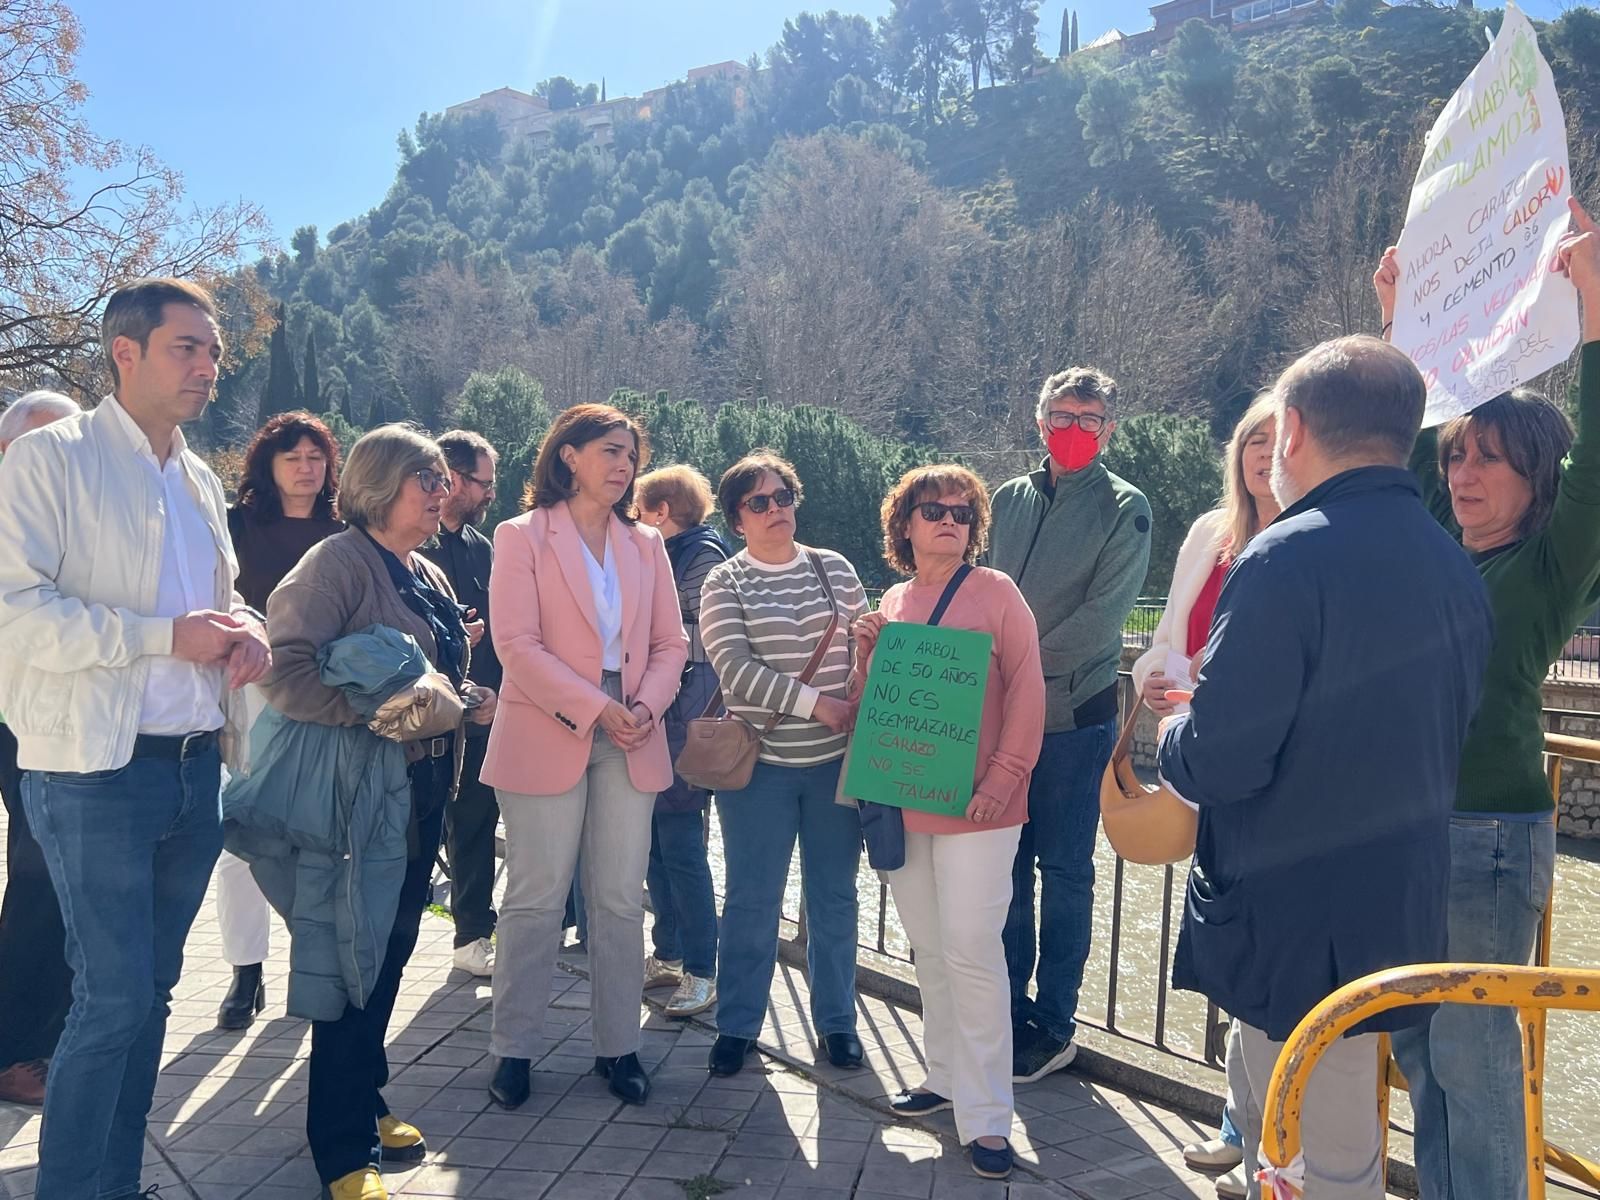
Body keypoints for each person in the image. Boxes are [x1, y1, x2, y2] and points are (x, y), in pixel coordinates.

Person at [1157, 335, 1493, 1200]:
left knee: (1311, 1146)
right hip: (1395, 897)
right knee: (1334, 1133)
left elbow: (1223, 760)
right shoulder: (1452, 561)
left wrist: (1174, 735)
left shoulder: (1284, 556)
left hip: (1291, 914)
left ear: (1293, 429)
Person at [0, 279, 273, 1199]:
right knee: (111, 1000)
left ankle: (112, 1182)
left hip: (195, 774)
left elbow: (212, 602)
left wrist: (249, 627)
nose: (207, 366)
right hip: (92, 776)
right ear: (126, 353)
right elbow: (14, 616)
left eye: (214, 352)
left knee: (147, 999)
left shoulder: (197, 476)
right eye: (186, 348)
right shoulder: (51, 459)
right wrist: (163, 638)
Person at [1373, 198, 1600, 1200]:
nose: (1463, 473)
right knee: (1421, 1053)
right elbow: (1409, 446)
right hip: (1408, 828)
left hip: (1487, 834)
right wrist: (1401, 327)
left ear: (1535, 477)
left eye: (1488, 459)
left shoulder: (1546, 570)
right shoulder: (1432, 542)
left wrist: (1591, 312)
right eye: (1460, 454)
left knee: (1470, 1055)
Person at [254, 423, 494, 1200]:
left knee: (387, 955)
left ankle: (368, 1092)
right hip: (362, 797)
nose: (442, 494)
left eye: (442, 482)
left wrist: (464, 700)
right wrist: (390, 712)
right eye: (427, 480)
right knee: (354, 962)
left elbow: (435, 680)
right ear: (380, 483)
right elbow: (284, 674)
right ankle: (341, 1147)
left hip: (420, 792)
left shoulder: (421, 567)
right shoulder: (333, 564)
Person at [482, 404, 688, 1111]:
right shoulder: (520, 536)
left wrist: (646, 707)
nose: (624, 463)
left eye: (631, 452)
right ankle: (513, 1048)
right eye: (609, 449)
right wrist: (598, 707)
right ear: (568, 456)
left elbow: (671, 645)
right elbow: (515, 645)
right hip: (549, 722)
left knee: (619, 901)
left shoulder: (647, 545)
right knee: (535, 899)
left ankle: (618, 1046)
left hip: (634, 726)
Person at [851, 465, 1045, 1181]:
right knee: (930, 949)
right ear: (905, 523)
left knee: (972, 951)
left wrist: (1003, 778)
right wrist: (866, 652)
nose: (950, 522)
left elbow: (1028, 690)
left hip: (979, 810)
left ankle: (990, 1117)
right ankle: (943, 1079)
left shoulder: (997, 594)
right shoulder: (897, 598)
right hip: (908, 799)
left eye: (963, 514)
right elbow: (880, 708)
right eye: (933, 510)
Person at [1132, 394, 1280, 1200]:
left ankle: (1264, 1135)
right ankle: (1239, 1117)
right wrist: (1161, 683)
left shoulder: (1305, 545)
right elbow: (1169, 645)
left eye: (1277, 437)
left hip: (1267, 780)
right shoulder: (1208, 536)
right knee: (1227, 944)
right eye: (1251, 438)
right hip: (1203, 766)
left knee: (1264, 953)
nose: (1263, 453)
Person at [987, 367, 1151, 1082]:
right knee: (1007, 869)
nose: (1074, 430)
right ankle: (1005, 1005)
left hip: (1069, 719)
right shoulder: (1006, 500)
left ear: (1110, 428)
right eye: (1062, 416)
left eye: (1089, 419)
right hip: (995, 720)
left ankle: (1056, 1021)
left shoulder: (1125, 506)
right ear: (1039, 421)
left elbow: (1102, 621)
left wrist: (1010, 664)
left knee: (1064, 872)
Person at [699, 451, 870, 1077]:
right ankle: (738, 1025)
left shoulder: (834, 569)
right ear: (737, 517)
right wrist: (815, 703)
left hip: (835, 767)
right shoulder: (726, 581)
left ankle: (837, 1024)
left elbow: (862, 650)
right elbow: (734, 669)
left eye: (784, 498)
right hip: (760, 770)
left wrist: (870, 658)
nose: (776, 510)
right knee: (752, 898)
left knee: (834, 897)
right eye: (759, 502)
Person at [214, 410, 345, 1030]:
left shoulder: (345, 531)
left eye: (316, 457)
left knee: (320, 833)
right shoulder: (238, 525)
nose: (305, 468)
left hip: (326, 696)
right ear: (267, 464)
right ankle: (245, 969)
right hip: (251, 692)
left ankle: (314, 962)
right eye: (292, 457)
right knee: (243, 830)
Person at [0, 390, 81, 1107]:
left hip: (74, 720)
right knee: (38, 877)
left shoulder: (81, 517)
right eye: (39, 444)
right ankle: (15, 1050)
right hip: (16, 721)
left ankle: (48, 1041)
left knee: (62, 880)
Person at [635, 464, 729, 1017]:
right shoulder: (676, 556)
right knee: (655, 844)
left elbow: (698, 641)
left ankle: (701, 968)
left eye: (641, 510)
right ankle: (668, 953)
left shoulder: (701, 560)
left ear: (662, 512)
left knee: (682, 848)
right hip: (657, 720)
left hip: (681, 725)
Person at [420, 429, 502, 979]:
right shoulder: (408, 542)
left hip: (475, 711)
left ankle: (473, 932)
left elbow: (498, 632)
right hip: (414, 714)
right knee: (418, 823)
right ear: (451, 477)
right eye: (484, 483)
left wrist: (495, 693)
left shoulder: (481, 547)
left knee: (476, 816)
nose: (491, 495)